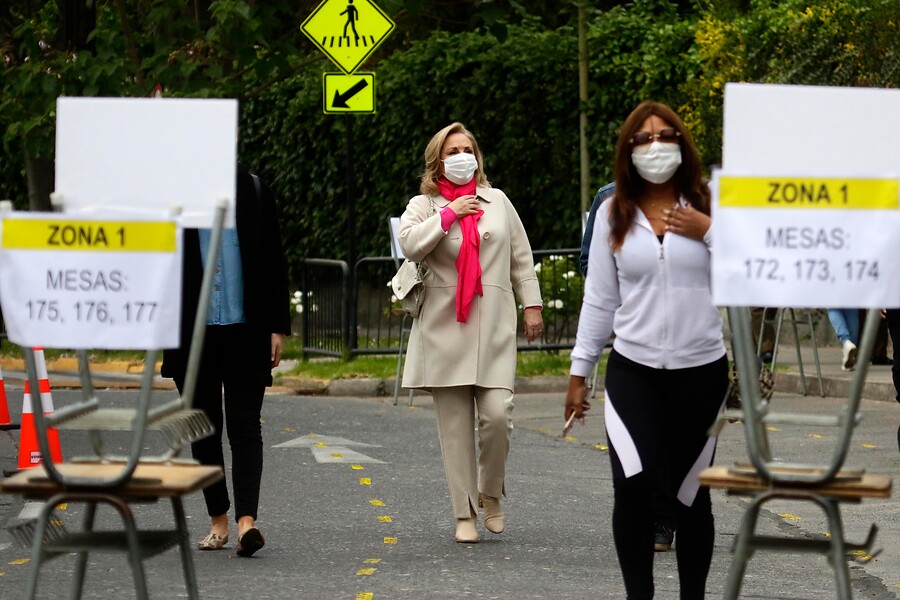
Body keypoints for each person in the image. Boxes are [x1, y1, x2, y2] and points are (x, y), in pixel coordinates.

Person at [566, 101, 728, 599]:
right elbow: (600, 298)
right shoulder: (612, 212)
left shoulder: (711, 200)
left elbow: (749, 271)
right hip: (632, 370)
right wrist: (579, 372)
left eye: (665, 135)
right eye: (643, 138)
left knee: (690, 496)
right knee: (633, 487)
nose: (655, 146)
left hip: (701, 372)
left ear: (682, 143)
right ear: (628, 150)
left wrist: (708, 231)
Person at [399, 122, 543, 544]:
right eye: (453, 151)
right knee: (455, 429)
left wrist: (532, 303)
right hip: (444, 327)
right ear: (437, 161)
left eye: (468, 150)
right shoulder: (424, 204)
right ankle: (464, 513)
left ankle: (490, 492)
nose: (462, 157)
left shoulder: (497, 200)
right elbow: (409, 244)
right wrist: (448, 215)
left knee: (498, 415)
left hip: (494, 323)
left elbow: (520, 254)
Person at [161, 164, 291, 557]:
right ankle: (218, 519)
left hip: (246, 330)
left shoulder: (254, 190)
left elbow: (274, 259)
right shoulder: (173, 196)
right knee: (203, 428)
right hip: (191, 333)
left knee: (245, 424)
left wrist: (277, 326)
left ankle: (246, 523)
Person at [581, 181, 676, 553]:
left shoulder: (695, 198)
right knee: (638, 435)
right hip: (633, 340)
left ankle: (664, 517)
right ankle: (643, 513)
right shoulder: (609, 199)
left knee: (669, 434)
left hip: (685, 343)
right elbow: (590, 263)